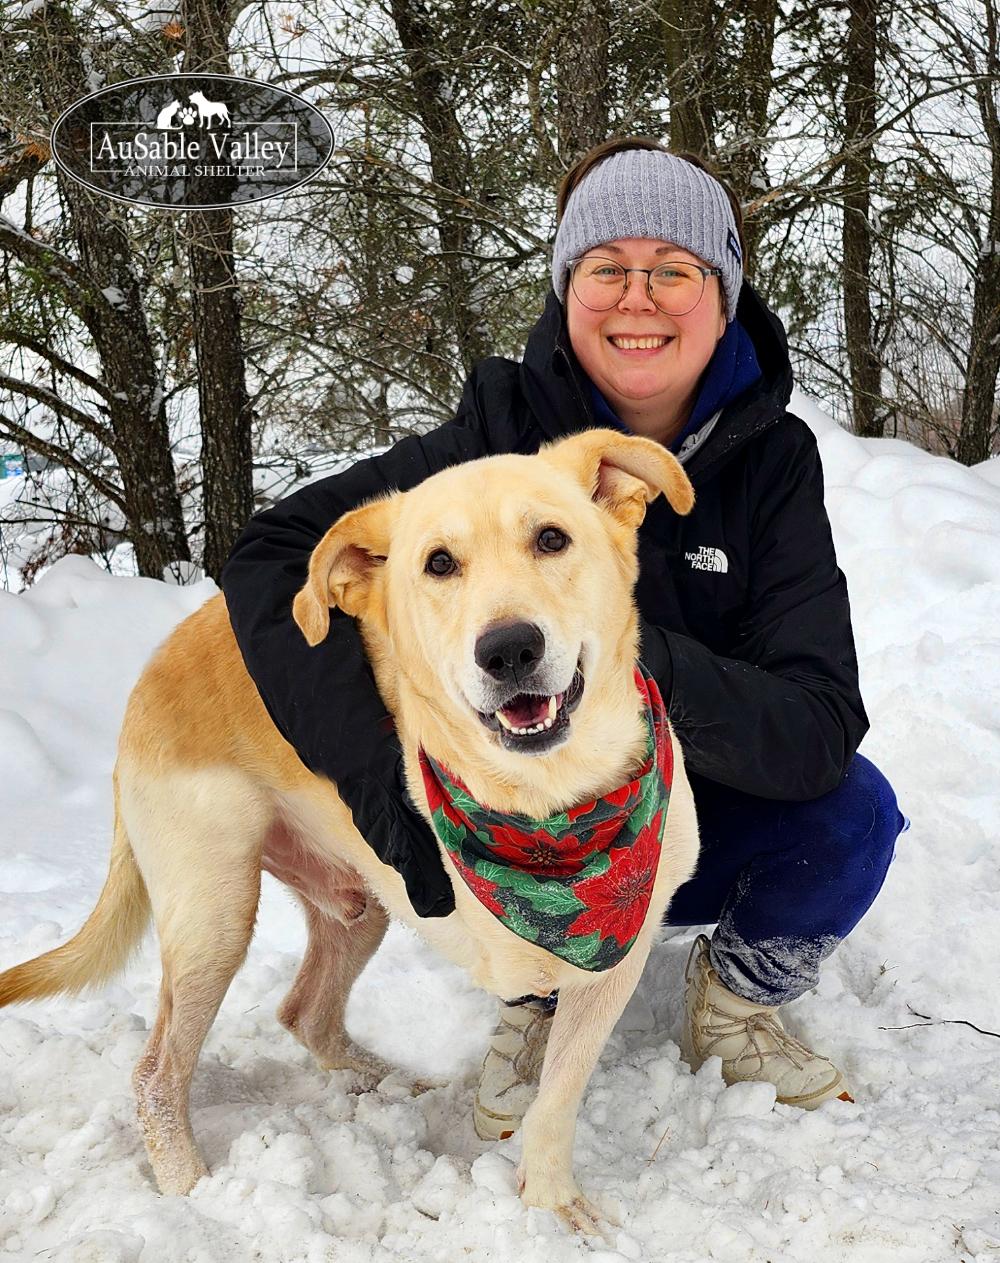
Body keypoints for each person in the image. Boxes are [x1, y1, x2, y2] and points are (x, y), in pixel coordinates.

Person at [221, 137, 907, 1140]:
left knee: (852, 813)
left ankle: (736, 998)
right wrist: (380, 790)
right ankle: (536, 999)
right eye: (606, 270)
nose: (639, 298)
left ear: (720, 295)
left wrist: (627, 660)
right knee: (492, 775)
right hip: (522, 826)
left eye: (673, 270)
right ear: (564, 289)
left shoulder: (772, 463)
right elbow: (275, 557)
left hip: (697, 816)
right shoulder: (491, 435)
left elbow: (815, 724)